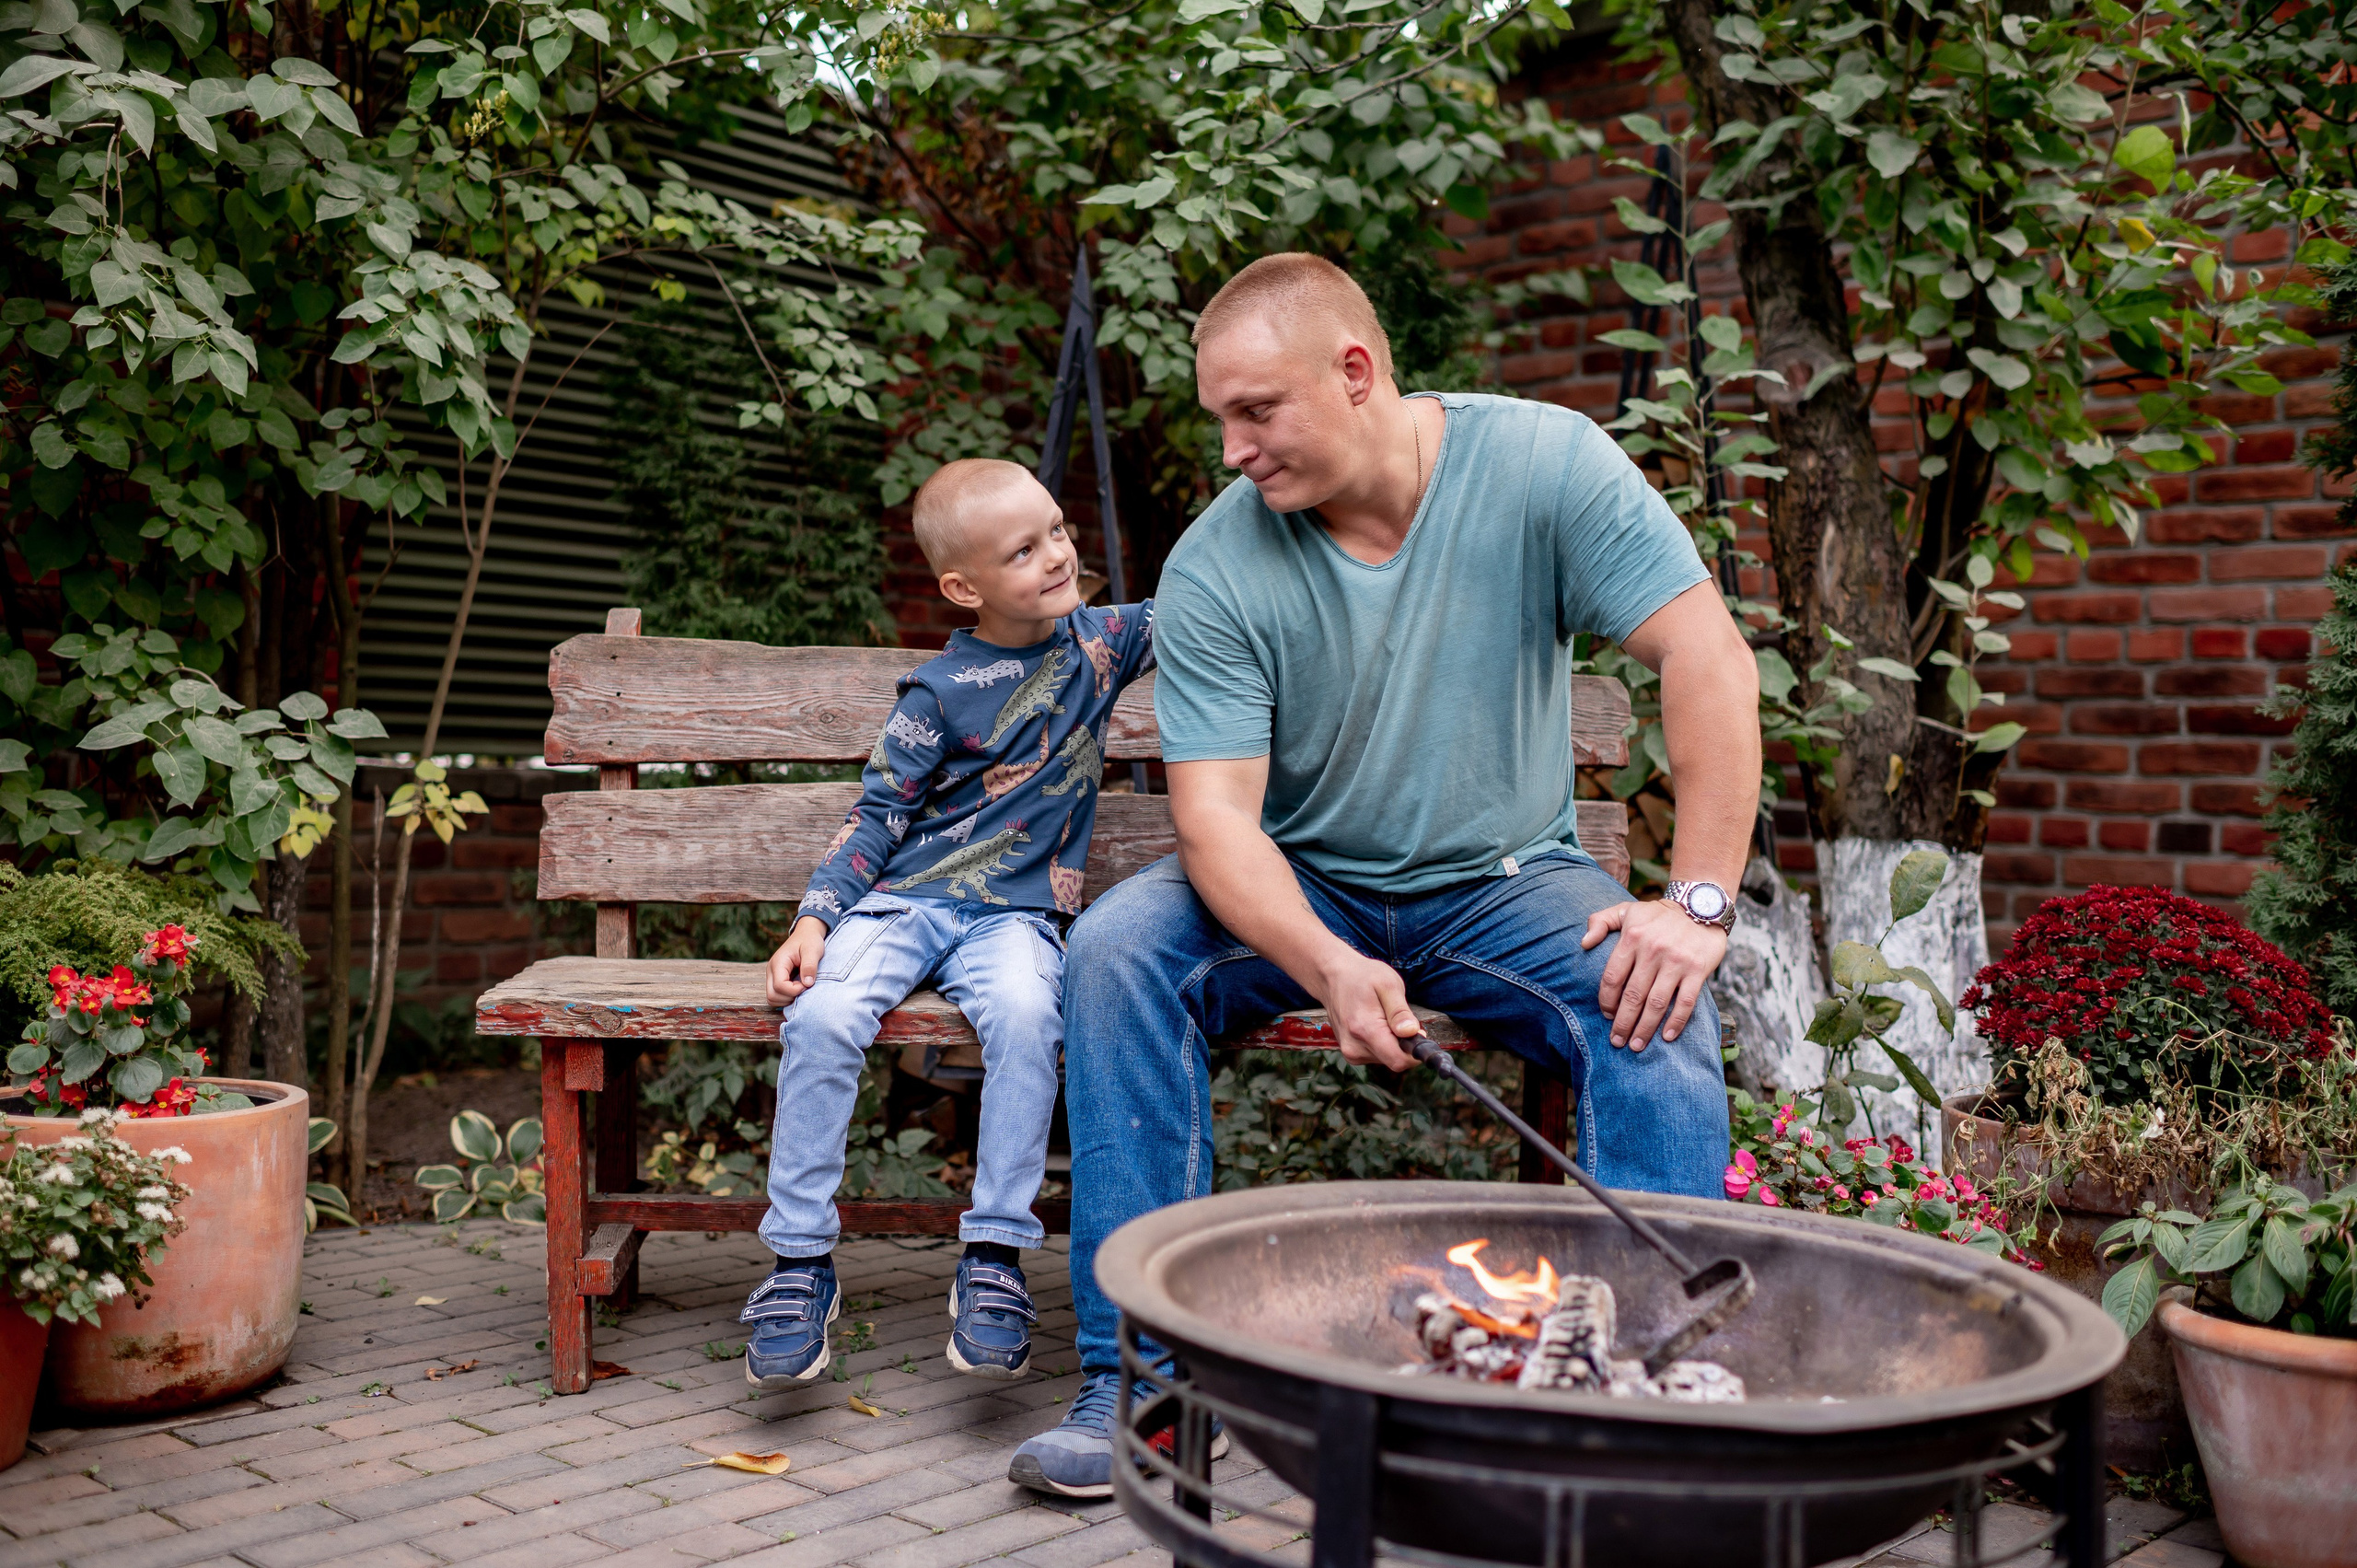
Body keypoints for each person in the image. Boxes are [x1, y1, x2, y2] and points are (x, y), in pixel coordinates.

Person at [1005, 254, 1762, 1497]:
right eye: (1220, 419)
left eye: (1257, 410)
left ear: (1354, 371)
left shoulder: (1544, 465)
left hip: (1506, 882)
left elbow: (1707, 654)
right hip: (1302, 882)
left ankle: (1640, 1404)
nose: (1234, 448)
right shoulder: (1218, 563)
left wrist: (1697, 904)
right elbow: (1218, 822)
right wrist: (1328, 962)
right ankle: (1145, 1387)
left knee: (1656, 998)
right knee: (1118, 950)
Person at [740, 458, 1155, 1389]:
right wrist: (814, 919)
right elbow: (876, 818)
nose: (1057, 555)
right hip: (905, 902)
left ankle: (994, 1256)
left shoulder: (1103, 645)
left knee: (1030, 1016)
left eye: (1057, 531)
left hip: (1015, 919)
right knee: (821, 1013)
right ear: (965, 588)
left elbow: (1210, 601)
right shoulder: (936, 691)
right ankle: (799, 1263)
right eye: (1023, 550)